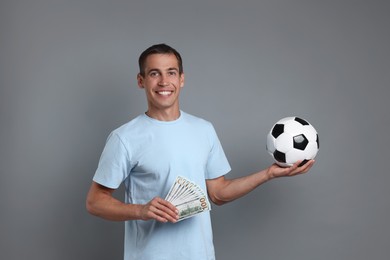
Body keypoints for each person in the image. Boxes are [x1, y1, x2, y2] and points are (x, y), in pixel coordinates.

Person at [86, 43, 314, 260]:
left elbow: (218, 194)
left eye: (171, 73)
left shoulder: (203, 130)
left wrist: (268, 174)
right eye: (154, 73)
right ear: (141, 80)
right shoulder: (124, 138)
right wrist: (141, 210)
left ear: (182, 79)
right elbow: (95, 201)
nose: (164, 81)